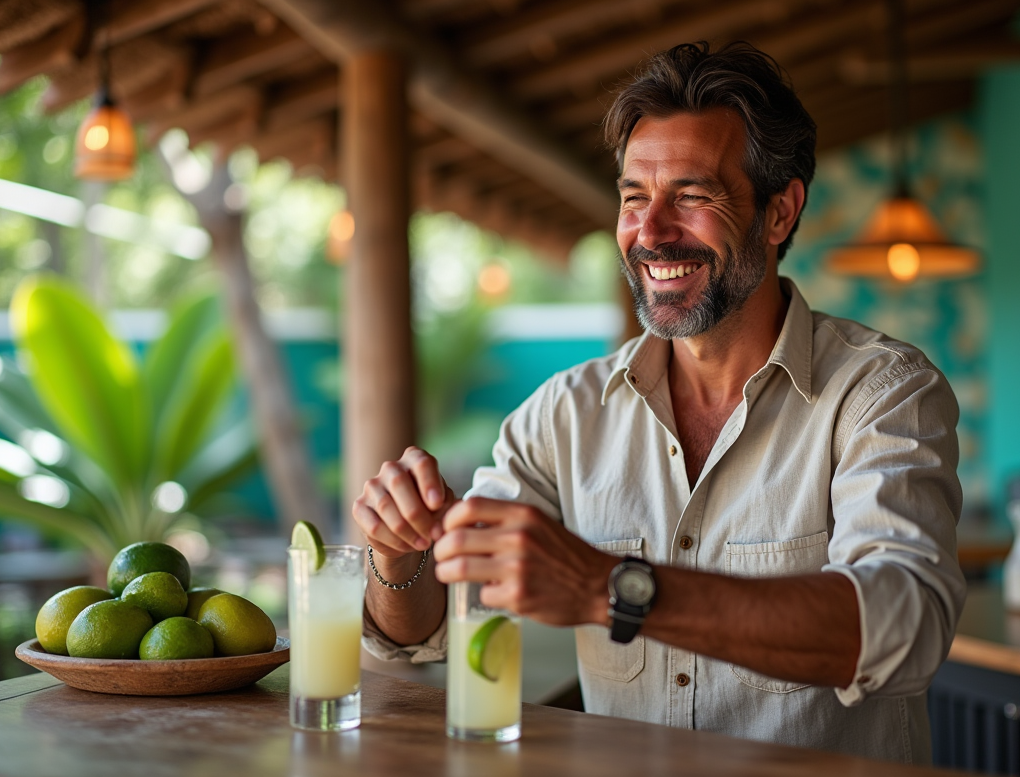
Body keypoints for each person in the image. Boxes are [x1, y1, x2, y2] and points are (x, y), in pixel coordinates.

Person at [355, 41, 965, 764]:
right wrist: (401, 557)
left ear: (779, 212)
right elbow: (421, 635)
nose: (649, 232)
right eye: (633, 197)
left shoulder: (883, 392)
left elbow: (904, 628)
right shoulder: (563, 416)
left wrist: (612, 590)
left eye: (692, 195)